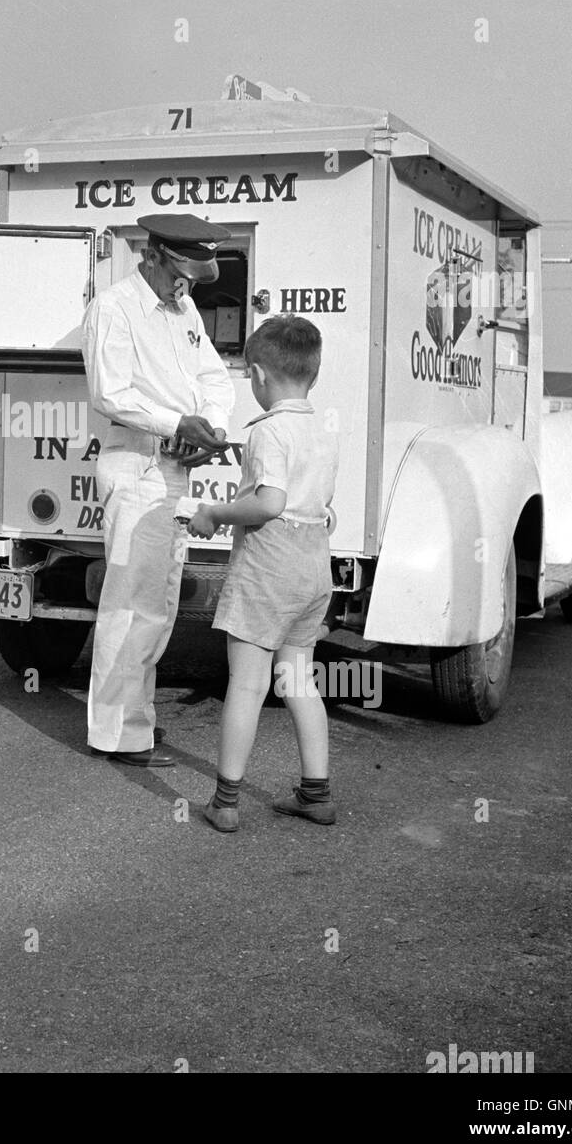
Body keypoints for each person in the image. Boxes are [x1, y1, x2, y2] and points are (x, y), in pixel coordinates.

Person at [81, 213, 234, 767]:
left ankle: (134, 721)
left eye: (195, 274)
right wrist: (176, 426)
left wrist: (210, 428)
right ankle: (118, 734)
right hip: (138, 465)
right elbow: (109, 393)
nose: (187, 284)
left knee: (159, 604)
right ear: (151, 253)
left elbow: (214, 378)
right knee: (130, 604)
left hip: (173, 469)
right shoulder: (113, 309)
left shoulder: (183, 308)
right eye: (180, 272)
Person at [187, 315, 340, 829]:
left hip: (270, 564)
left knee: (248, 685)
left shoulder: (267, 434)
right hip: (314, 563)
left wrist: (216, 513)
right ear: (312, 376)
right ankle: (315, 794)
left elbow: (270, 502)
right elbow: (324, 505)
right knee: (299, 678)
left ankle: (226, 802)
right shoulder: (323, 432)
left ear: (256, 375)